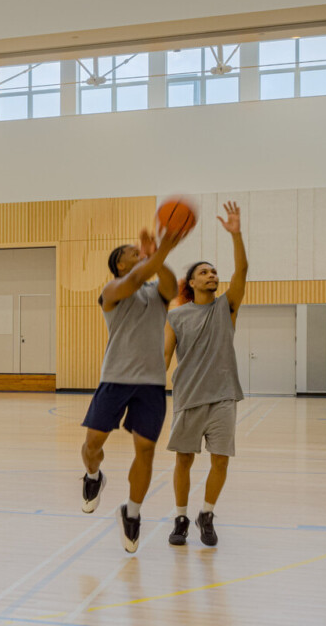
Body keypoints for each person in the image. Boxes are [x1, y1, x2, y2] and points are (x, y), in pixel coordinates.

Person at [80, 216, 189, 554]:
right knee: (93, 445)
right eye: (131, 251)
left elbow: (169, 285)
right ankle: (94, 476)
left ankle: (132, 512)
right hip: (115, 379)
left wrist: (159, 253)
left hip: (151, 383)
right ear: (119, 264)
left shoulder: (155, 291)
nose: (136, 253)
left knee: (146, 451)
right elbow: (138, 276)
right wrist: (160, 250)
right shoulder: (112, 290)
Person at [164, 202, 248, 548]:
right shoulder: (177, 315)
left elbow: (243, 268)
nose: (213, 275)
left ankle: (207, 514)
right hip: (188, 397)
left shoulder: (226, 307)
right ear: (192, 282)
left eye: (215, 272)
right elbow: (164, 356)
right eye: (205, 272)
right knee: (184, 460)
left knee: (220, 461)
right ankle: (181, 516)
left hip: (223, 397)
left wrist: (236, 234)